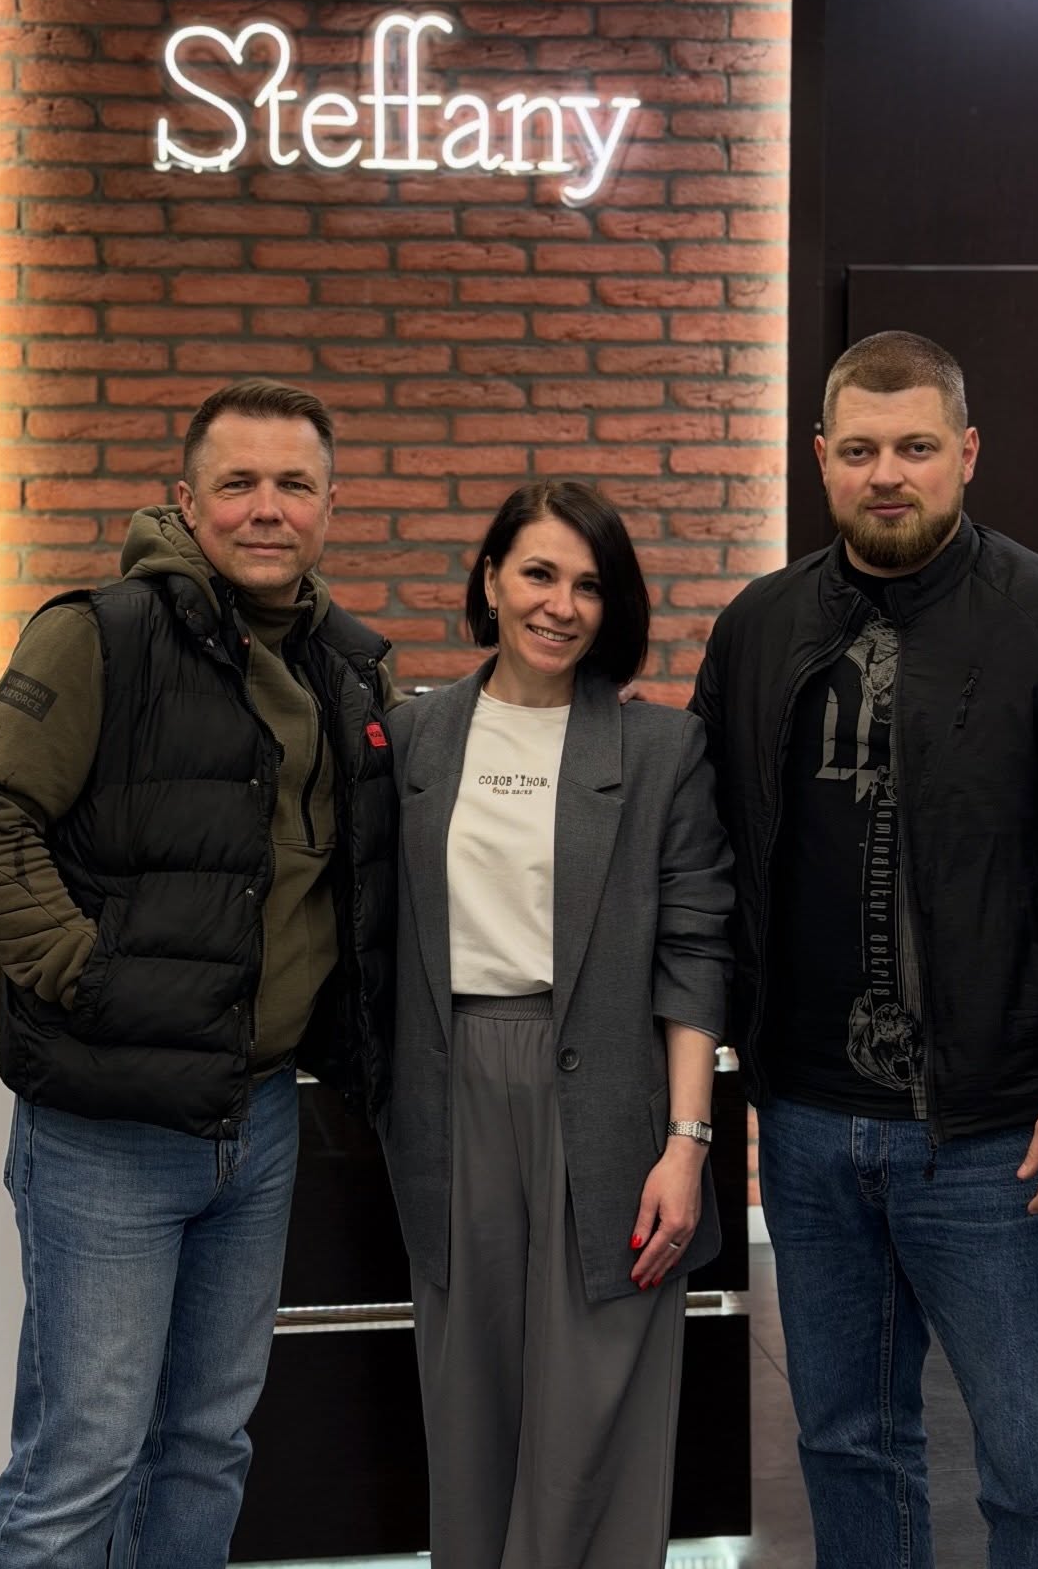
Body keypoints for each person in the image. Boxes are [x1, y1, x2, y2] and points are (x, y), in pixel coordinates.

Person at [691, 329, 1038, 1568]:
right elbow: (706, 849)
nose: (887, 474)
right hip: (808, 1125)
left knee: (1035, 1470)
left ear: (967, 451)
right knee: (847, 1443)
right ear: (820, 458)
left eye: (915, 447)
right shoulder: (756, 628)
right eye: (860, 450)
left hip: (1000, 1132)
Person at [0, 379, 399, 1569]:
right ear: (184, 500)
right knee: (83, 1456)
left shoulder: (347, 666)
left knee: (207, 1440)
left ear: (330, 505)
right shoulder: (98, 634)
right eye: (236, 482)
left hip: (260, 1117)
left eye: (294, 484)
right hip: (108, 1124)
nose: (266, 507)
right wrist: (95, 982)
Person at [381, 480, 734, 1569]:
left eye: (589, 585)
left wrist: (687, 1142)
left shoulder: (662, 749)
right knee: (470, 1403)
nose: (561, 605)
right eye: (538, 573)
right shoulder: (413, 736)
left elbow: (693, 953)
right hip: (451, 1092)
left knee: (597, 1409)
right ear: (490, 579)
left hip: (612, 1094)